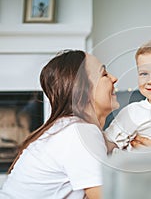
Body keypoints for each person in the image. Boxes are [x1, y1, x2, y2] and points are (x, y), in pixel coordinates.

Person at [0, 50, 120, 199]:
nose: (114, 78)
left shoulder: (70, 128)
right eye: (104, 74)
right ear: (83, 90)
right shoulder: (79, 133)